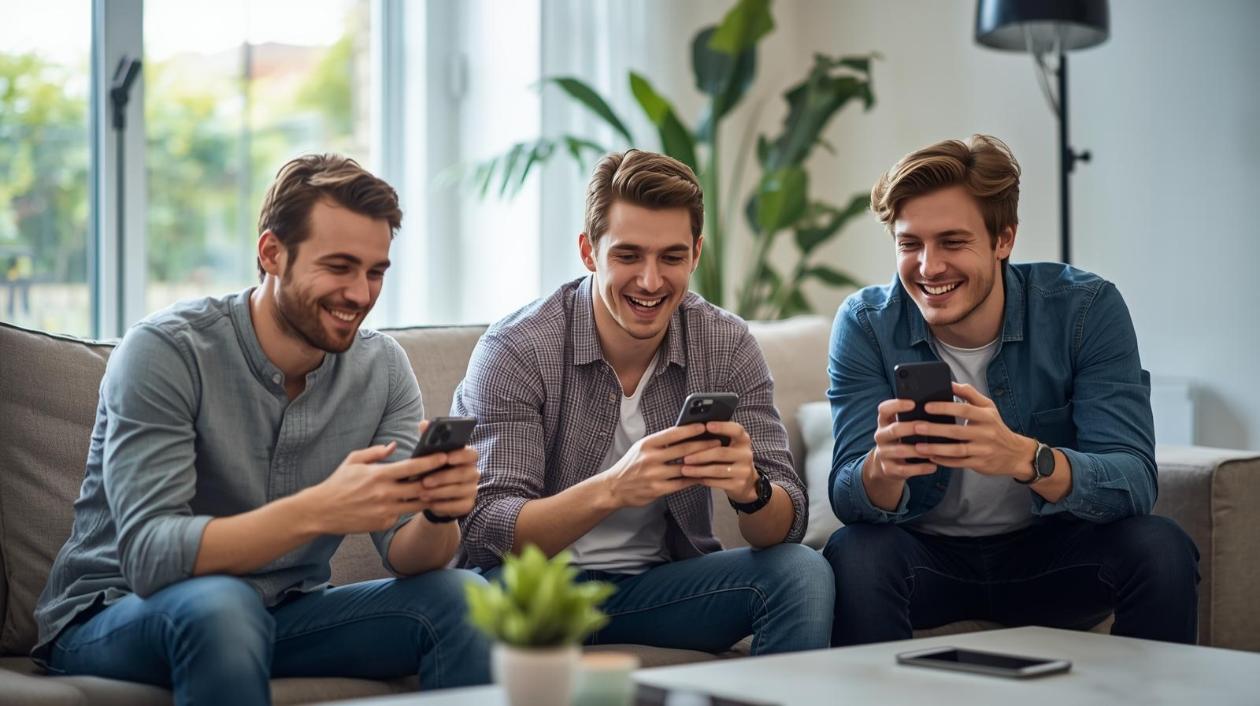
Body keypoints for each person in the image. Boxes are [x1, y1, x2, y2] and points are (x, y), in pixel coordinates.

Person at [33, 154, 491, 705]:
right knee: (223, 607)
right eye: (339, 266)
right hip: (121, 611)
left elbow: (406, 553)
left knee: (463, 597)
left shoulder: (382, 367)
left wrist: (440, 511)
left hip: (281, 613)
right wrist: (320, 509)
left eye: (375, 271)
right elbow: (151, 557)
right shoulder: (167, 350)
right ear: (271, 253)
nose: (361, 294)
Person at [452, 149, 833, 655]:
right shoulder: (519, 348)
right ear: (589, 252)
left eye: (671, 257)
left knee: (801, 571)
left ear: (696, 254)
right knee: (472, 598)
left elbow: (789, 520)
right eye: (628, 256)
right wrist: (614, 488)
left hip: (657, 591)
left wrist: (751, 489)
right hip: (532, 596)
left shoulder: (724, 343)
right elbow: (486, 528)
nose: (651, 281)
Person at [823, 135, 1200, 646]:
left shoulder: (1085, 310)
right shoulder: (866, 323)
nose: (929, 267)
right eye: (910, 244)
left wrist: (1025, 458)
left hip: (1052, 555)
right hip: (926, 560)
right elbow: (848, 496)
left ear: (1004, 240)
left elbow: (1133, 481)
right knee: (856, 553)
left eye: (953, 243)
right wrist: (880, 471)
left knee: (1161, 548)